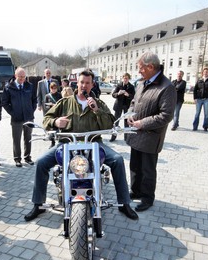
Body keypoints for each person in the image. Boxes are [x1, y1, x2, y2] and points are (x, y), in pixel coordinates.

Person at [24, 69, 138, 221]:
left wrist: (97, 110)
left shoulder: (99, 103)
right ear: (77, 83)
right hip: (67, 144)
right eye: (82, 82)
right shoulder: (64, 102)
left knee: (117, 160)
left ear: (92, 85)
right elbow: (47, 119)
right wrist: (55, 122)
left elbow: (110, 124)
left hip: (94, 144)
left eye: (87, 83)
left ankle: (124, 203)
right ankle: (38, 204)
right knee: (41, 163)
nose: (84, 85)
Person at [126, 52, 176, 212]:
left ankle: (147, 198)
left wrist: (142, 123)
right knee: (135, 166)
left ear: (150, 67)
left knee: (147, 169)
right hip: (136, 133)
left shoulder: (167, 87)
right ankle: (135, 191)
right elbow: (134, 102)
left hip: (150, 137)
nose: (139, 71)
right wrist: (130, 114)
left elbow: (166, 115)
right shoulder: (142, 82)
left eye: (141, 68)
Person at [2, 67, 36, 167]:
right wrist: (13, 112)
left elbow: (34, 100)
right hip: (16, 119)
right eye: (20, 76)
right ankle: (17, 158)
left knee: (28, 138)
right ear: (15, 76)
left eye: (24, 77)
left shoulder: (29, 86)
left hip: (29, 118)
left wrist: (31, 110)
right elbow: (4, 102)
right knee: (16, 139)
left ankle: (27, 157)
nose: (22, 79)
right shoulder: (9, 87)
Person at [110, 72, 135, 141]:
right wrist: (118, 93)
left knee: (126, 123)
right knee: (115, 122)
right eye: (124, 78)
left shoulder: (131, 87)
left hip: (127, 106)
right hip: (118, 106)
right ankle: (113, 137)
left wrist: (128, 95)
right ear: (122, 78)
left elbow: (134, 96)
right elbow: (113, 94)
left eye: (126, 78)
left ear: (129, 79)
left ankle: (126, 138)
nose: (125, 79)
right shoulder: (119, 85)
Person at [192, 67, 208, 131]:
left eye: (207, 72)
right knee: (197, 113)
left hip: (207, 99)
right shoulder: (199, 80)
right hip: (199, 99)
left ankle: (205, 126)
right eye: (204, 72)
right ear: (202, 73)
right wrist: (195, 98)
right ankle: (195, 126)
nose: (205, 73)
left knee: (206, 114)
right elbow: (195, 89)